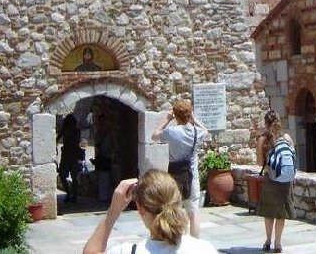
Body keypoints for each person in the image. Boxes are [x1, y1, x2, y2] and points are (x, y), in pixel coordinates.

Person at [83, 169, 218, 254]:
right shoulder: (204, 249)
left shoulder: (128, 251)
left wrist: (113, 211)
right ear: (178, 201)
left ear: (141, 208)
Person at [152, 100, 209, 238]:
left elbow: (154, 135)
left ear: (175, 116)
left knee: (174, 210)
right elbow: (206, 132)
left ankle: (176, 240)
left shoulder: (172, 132)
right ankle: (195, 243)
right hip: (191, 176)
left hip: (175, 176)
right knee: (193, 211)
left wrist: (166, 120)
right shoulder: (197, 132)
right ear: (190, 115)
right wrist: (195, 120)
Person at [256, 110, 296, 253]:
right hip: (286, 180)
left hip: (271, 179)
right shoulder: (287, 137)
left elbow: (260, 162)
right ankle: (278, 243)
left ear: (266, 124)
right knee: (281, 213)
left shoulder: (263, 140)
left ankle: (268, 241)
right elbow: (293, 158)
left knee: (269, 212)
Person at [57, 113, 82, 203]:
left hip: (69, 156)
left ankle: (71, 194)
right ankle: (71, 194)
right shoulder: (73, 130)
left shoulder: (72, 130)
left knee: (67, 176)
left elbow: (57, 139)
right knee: (69, 176)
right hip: (71, 156)